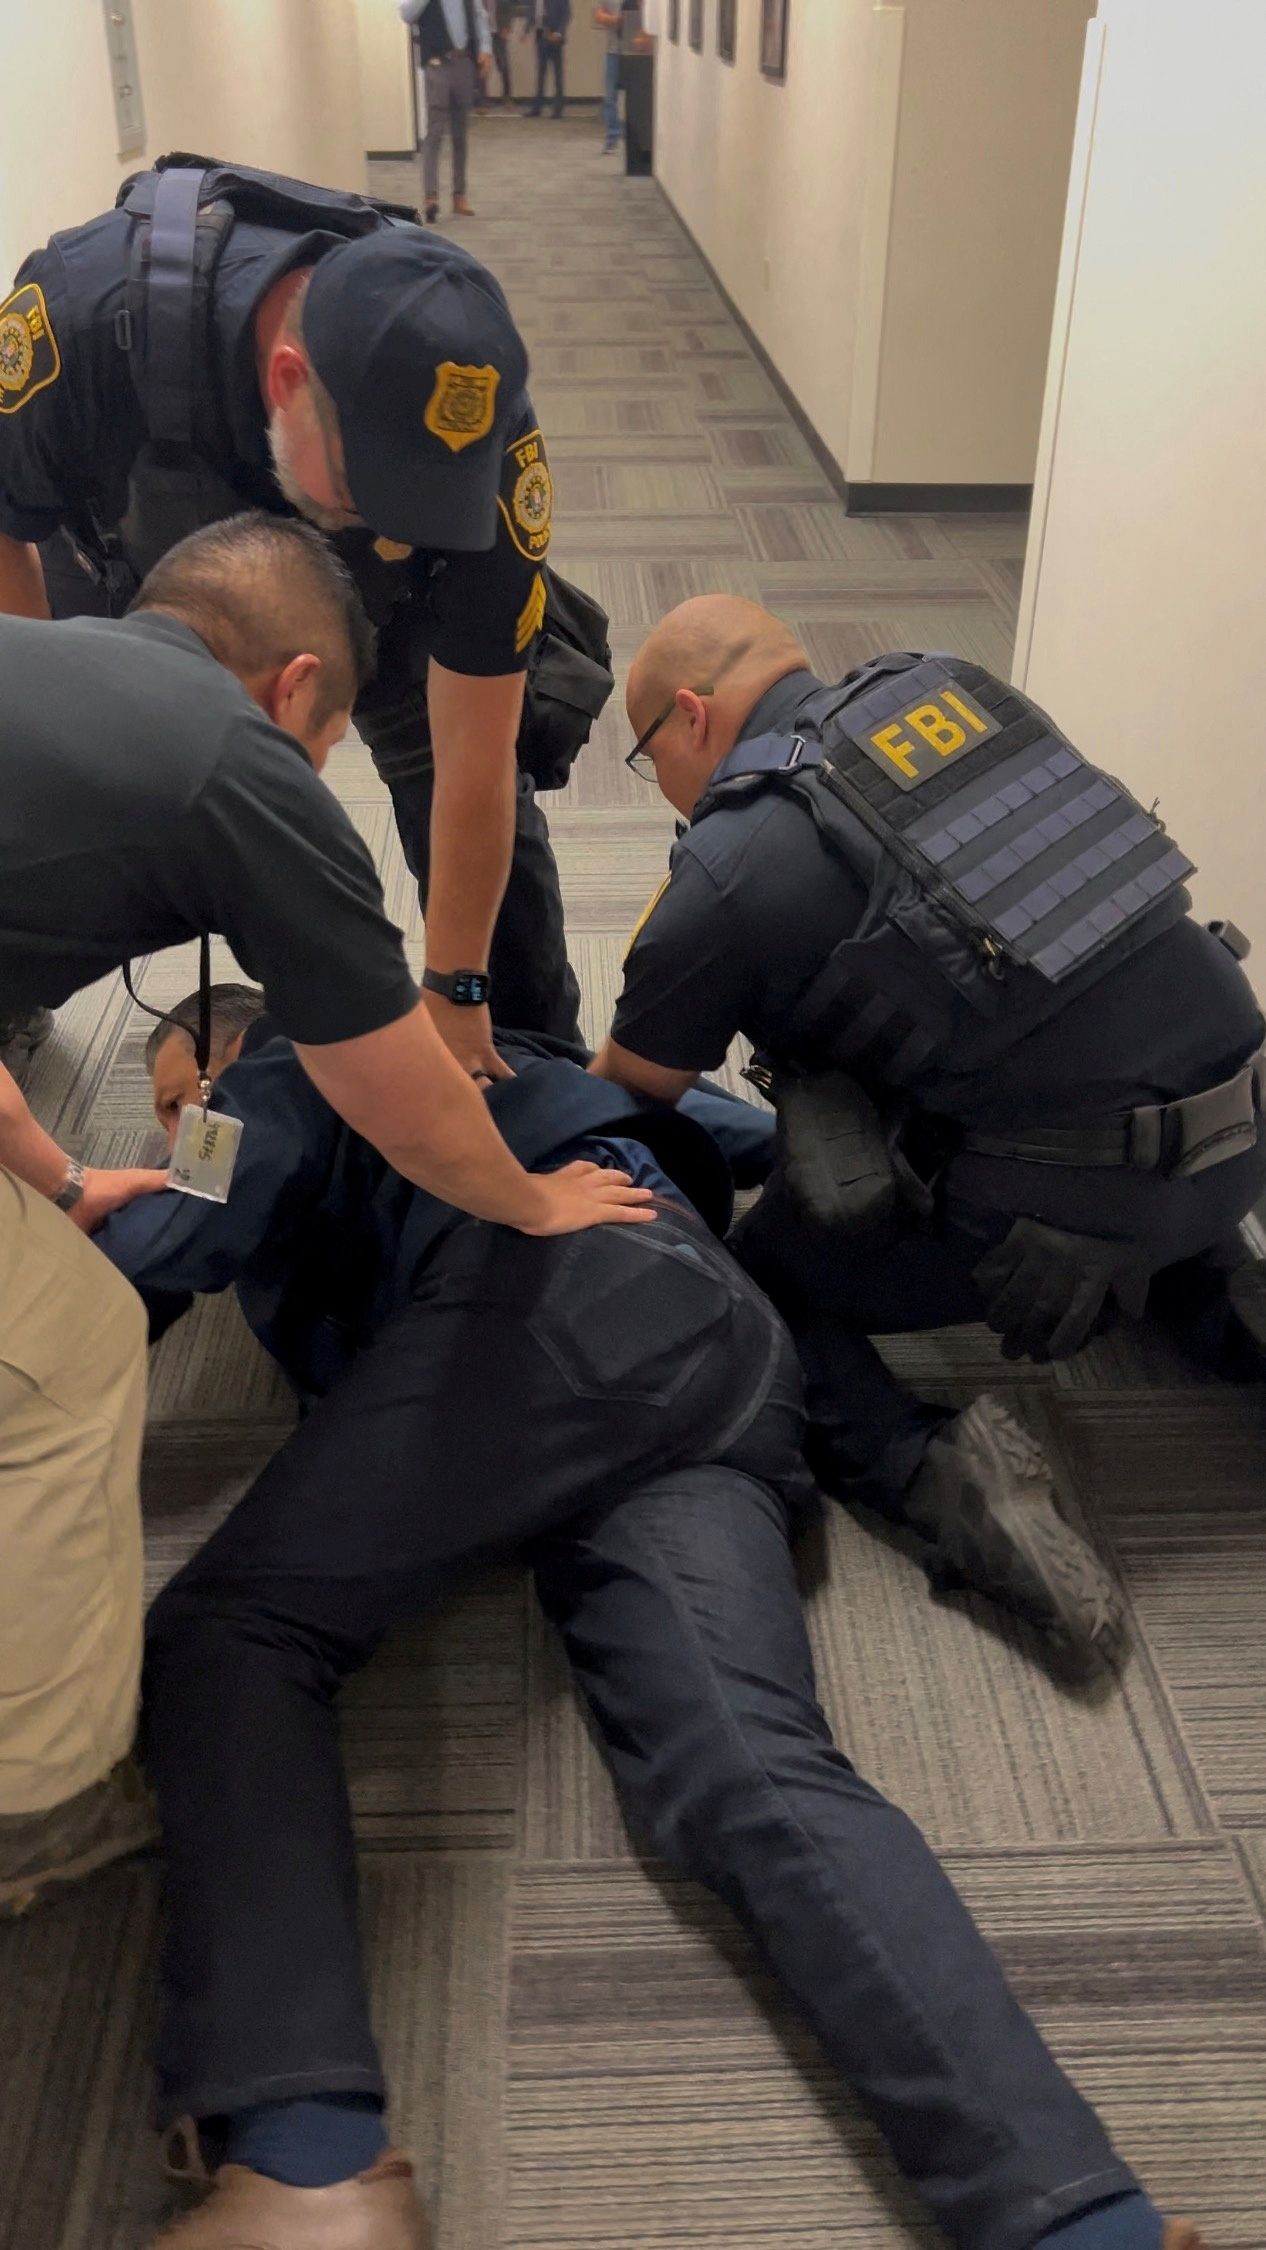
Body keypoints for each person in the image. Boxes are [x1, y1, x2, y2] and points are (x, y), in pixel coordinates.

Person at [92, 985, 1202, 2250]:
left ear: (227, 1049)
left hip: (559, 1320)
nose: (172, 1130)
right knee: (750, 1772)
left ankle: (308, 2157)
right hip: (726, 1361)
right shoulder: (529, 1055)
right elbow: (759, 1150)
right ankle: (1087, 2223)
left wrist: (94, 1242)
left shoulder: (292, 1054)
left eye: (176, 1100)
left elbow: (183, 1228)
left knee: (230, 1636)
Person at [0, 515, 650, 1918]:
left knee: (66, 1325)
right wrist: (539, 1190)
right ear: (298, 685)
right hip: (627, 1239)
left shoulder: (39, 668)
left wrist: (68, 1189)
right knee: (66, 1352)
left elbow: (191, 1183)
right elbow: (419, 1091)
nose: (316, 769)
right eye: (334, 741)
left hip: (500, 1311)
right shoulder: (235, 761)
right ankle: (39, 1806)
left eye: (176, 1104)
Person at [593, 595, 1266, 1670]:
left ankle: (935, 1475)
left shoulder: (728, 867)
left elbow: (625, 1097)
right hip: (1245, 1121)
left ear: (692, 718)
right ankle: (1220, 1293)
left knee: (751, 1281)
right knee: (1058, 1052)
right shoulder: (954, 688)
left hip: (1058, 1225)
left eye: (647, 758)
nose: (664, 788)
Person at [0, 152, 608, 1076]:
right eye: (377, 492)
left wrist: (458, 988)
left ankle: (540, 1063)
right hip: (153, 556)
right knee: (43, 801)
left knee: (490, 841)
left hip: (393, 603)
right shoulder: (80, 317)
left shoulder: (485, 430)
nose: (400, 515)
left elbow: (476, 763)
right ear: (287, 378)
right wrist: (69, 741)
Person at [400, 0, 493, 222]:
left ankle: (459, 196)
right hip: (437, 64)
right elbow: (406, 14)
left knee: (461, 135)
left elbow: (480, 17)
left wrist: (486, 48)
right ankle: (431, 197)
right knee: (434, 133)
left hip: (464, 63)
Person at [526, 0, 571, 115]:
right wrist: (526, 30)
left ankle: (558, 108)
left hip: (554, 36)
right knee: (541, 73)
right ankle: (537, 107)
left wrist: (559, 32)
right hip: (540, 35)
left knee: (557, 73)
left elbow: (566, 14)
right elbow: (533, 13)